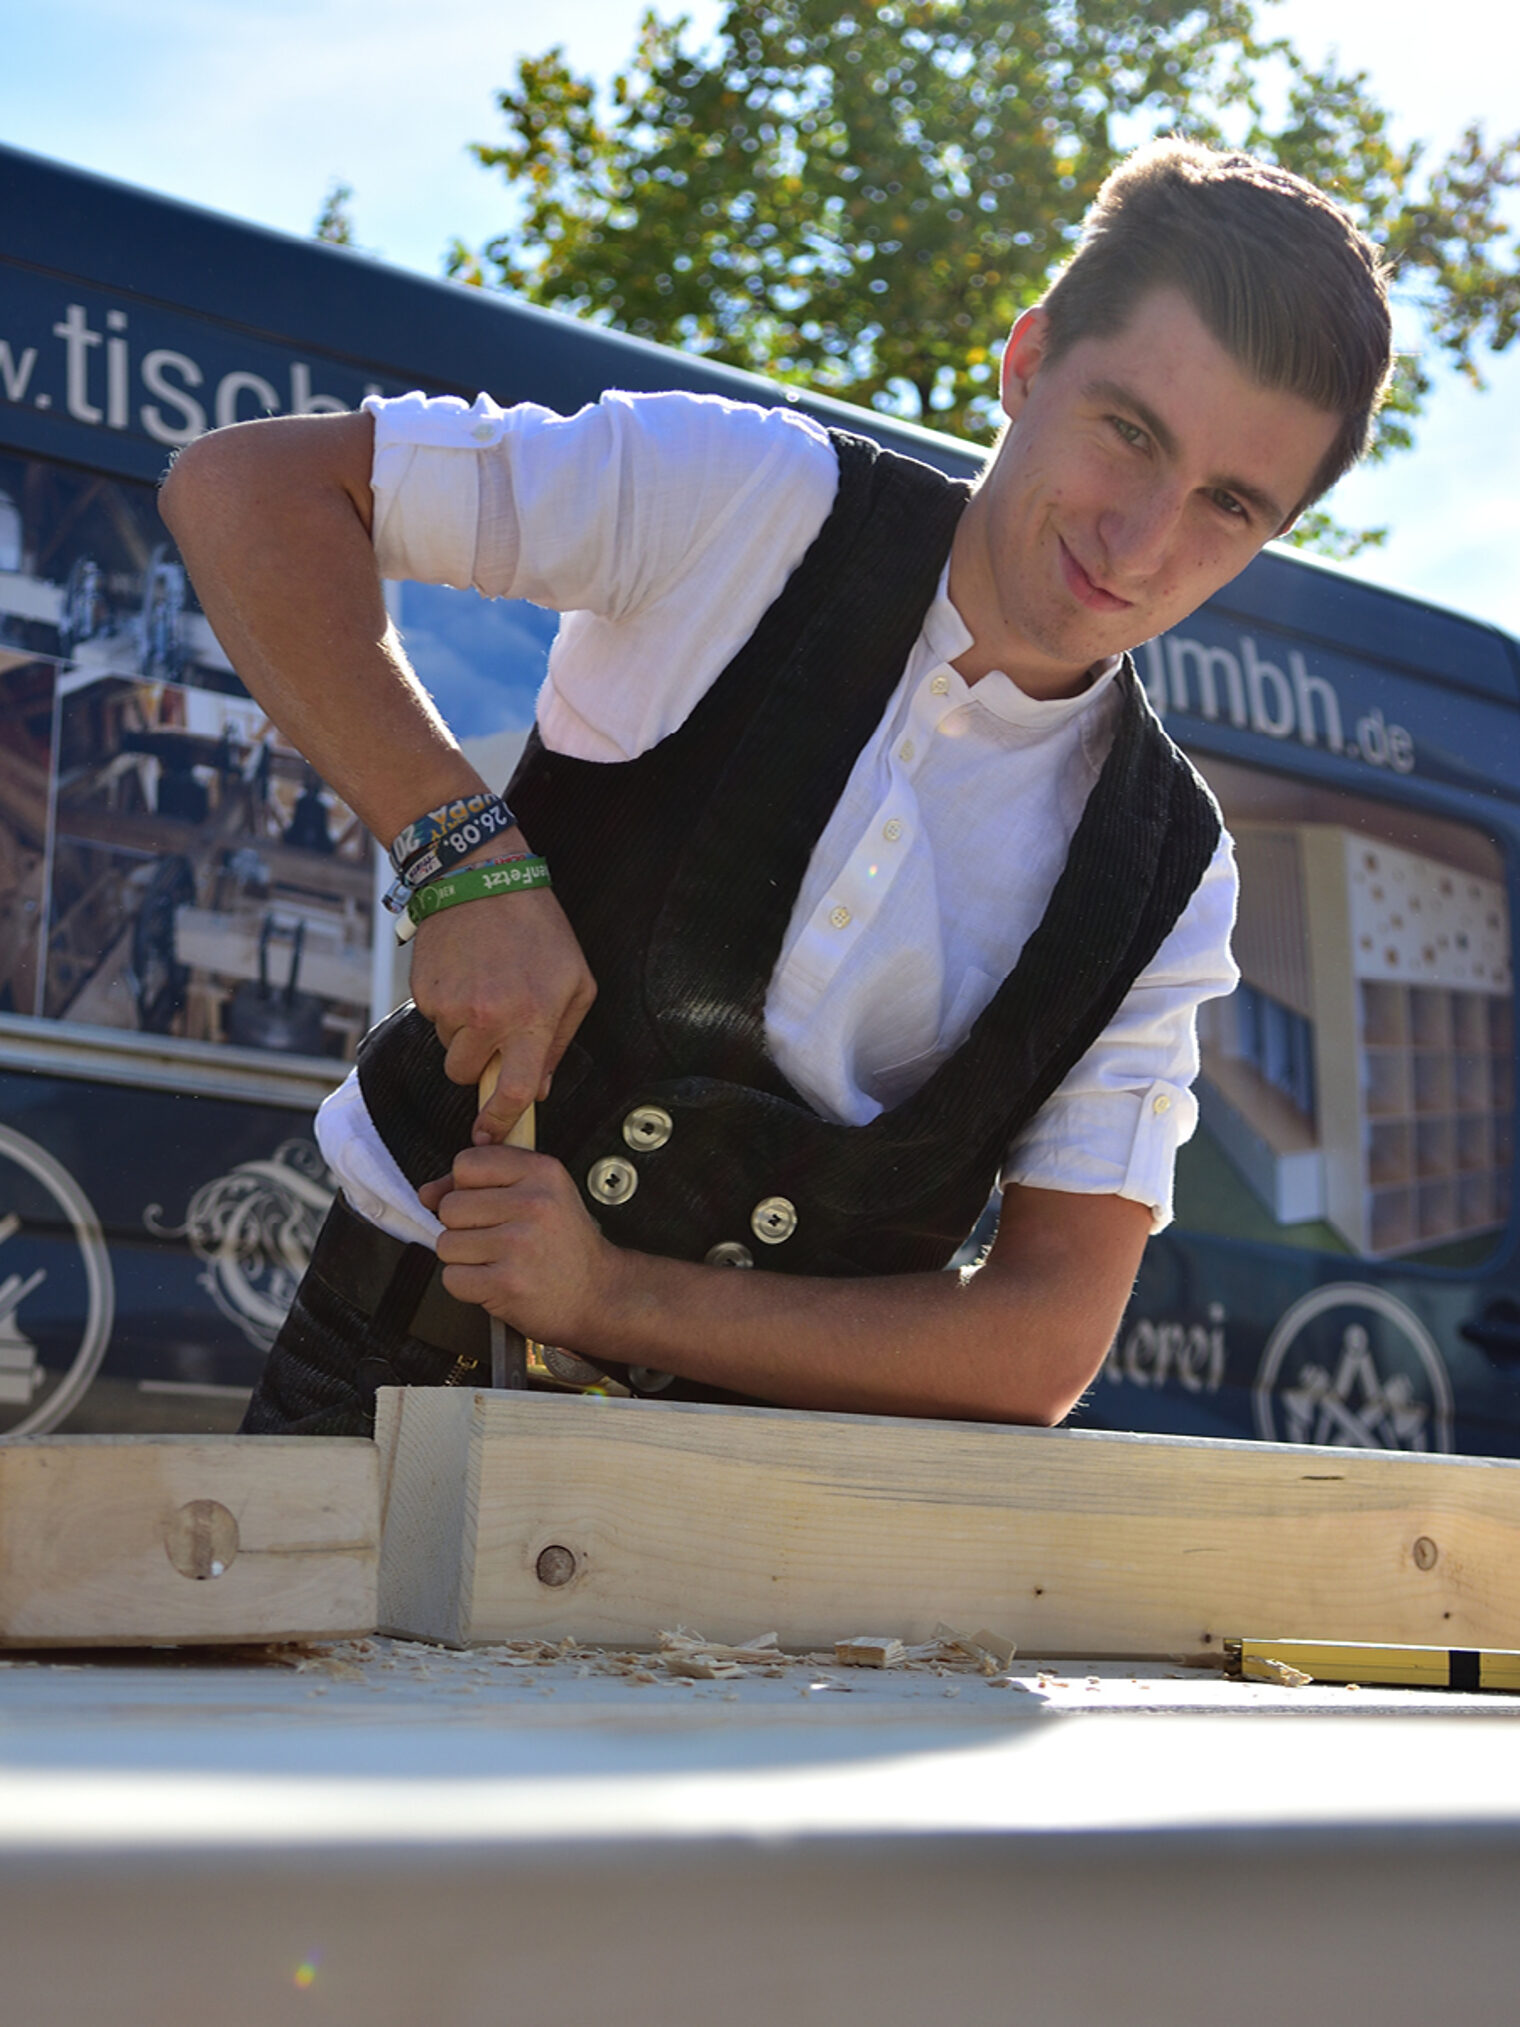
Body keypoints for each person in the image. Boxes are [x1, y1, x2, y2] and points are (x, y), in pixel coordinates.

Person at [161, 139, 1392, 1434]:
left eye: (1229, 505)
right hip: (383, 1384)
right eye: (1129, 432)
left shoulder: (1172, 871)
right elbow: (252, 490)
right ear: (1026, 366)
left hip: (774, 1512)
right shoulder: (756, 500)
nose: (1141, 540)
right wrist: (463, 856)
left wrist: (611, 1295)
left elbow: (1042, 1343)